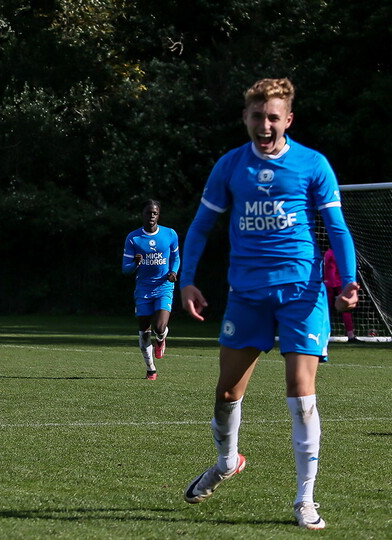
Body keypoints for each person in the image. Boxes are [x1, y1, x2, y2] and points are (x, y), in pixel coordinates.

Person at [179, 78, 359, 530]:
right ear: (245, 117)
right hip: (246, 296)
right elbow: (201, 227)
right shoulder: (229, 166)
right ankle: (225, 462)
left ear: (288, 119)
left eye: (273, 117)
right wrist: (186, 281)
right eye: (257, 116)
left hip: (302, 292)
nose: (265, 124)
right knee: (226, 394)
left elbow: (336, 228)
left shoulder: (312, 164)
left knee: (301, 396)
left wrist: (349, 280)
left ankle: (305, 500)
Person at [121, 199, 180, 380]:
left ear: (159, 215)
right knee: (144, 330)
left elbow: (176, 258)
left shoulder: (170, 234)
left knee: (160, 326)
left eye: (155, 213)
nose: (152, 216)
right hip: (143, 288)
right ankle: (150, 368)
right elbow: (125, 269)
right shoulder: (134, 238)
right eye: (148, 213)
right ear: (143, 214)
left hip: (164, 286)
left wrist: (173, 272)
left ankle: (161, 339)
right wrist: (135, 263)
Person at [323, 247, 355, 342]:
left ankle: (322, 334)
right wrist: (334, 287)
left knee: (325, 310)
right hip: (335, 285)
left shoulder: (328, 253)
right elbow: (331, 270)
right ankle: (350, 335)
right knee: (345, 309)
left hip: (328, 284)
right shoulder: (334, 253)